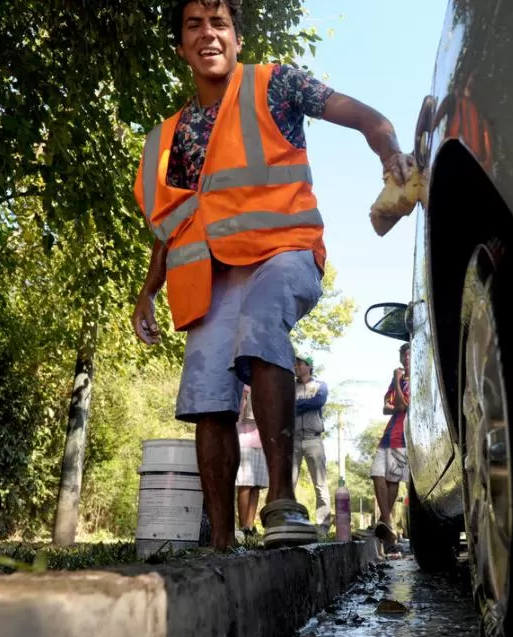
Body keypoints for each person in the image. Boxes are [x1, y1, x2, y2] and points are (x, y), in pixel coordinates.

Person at [130, 0, 414, 550]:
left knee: (262, 326)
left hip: (286, 250)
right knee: (207, 390)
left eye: (219, 24)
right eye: (194, 25)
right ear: (181, 45)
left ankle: (282, 502)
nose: (207, 34)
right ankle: (219, 543)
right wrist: (147, 292)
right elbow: (174, 222)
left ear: (236, 37)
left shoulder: (275, 86)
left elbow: (365, 118)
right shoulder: (176, 134)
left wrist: (391, 153)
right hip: (215, 272)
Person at [371, 343, 410, 552]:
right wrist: (396, 383)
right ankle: (386, 522)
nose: (406, 359)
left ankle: (386, 525)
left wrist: (397, 380)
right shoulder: (398, 381)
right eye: (403, 355)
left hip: (402, 436)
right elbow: (386, 407)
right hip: (388, 433)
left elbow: (403, 406)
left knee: (392, 479)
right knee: (376, 474)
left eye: (409, 355)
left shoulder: (412, 381)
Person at [293, 355, 331, 533]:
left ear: (309, 366)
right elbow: (283, 404)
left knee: (320, 483)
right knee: (289, 482)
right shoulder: (289, 387)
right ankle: (291, 522)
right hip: (292, 439)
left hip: (313, 438)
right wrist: (303, 404)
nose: (296, 366)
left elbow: (318, 401)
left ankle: (322, 526)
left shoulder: (321, 386)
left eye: (300, 363)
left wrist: (296, 405)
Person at [235, 384, 267, 540]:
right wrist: (245, 397)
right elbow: (238, 414)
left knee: (256, 486)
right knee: (245, 484)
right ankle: (242, 527)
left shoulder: (266, 384)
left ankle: (249, 526)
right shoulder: (243, 386)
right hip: (243, 440)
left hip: (262, 441)